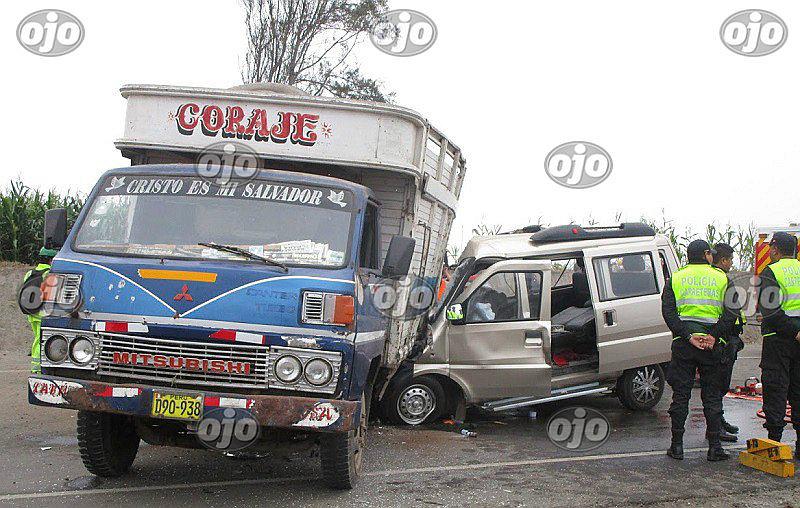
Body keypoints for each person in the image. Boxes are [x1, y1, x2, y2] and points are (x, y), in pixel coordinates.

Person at [662, 239, 736, 461]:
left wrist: (687, 335)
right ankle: (715, 448)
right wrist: (713, 336)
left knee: (681, 395)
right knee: (712, 397)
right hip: (712, 347)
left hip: (685, 345)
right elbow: (732, 313)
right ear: (706, 254)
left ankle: (676, 447)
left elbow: (668, 312)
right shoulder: (722, 277)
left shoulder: (675, 278)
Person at [757, 232, 800, 457]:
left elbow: (770, 311)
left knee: (775, 388)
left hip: (778, 340)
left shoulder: (771, 272)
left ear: (775, 248)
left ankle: (774, 444)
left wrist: (794, 332)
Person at [711, 242, 746, 442]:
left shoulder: (714, 278)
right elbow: (730, 312)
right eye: (730, 260)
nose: (731, 264)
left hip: (721, 338)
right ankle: (715, 427)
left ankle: (718, 421)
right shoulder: (722, 280)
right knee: (718, 385)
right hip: (724, 340)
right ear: (723, 260)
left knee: (717, 386)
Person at [21, 247, 56, 374]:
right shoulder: (49, 274)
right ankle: (38, 368)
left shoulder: (30, 273)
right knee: (42, 340)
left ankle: (36, 367)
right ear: (51, 260)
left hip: (31, 312)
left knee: (37, 338)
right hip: (43, 314)